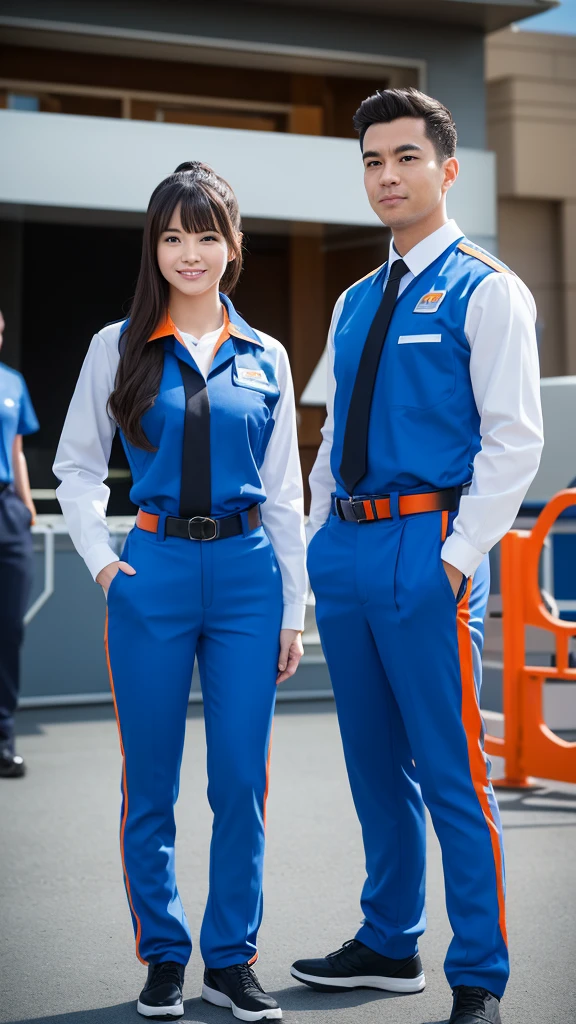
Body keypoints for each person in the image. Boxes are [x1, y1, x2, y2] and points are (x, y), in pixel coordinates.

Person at [291, 89, 543, 1024]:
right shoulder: (357, 300)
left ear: (447, 167)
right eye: (370, 161)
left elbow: (515, 440)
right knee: (371, 765)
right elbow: (327, 435)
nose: (386, 175)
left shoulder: (489, 287)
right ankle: (390, 942)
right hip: (349, 549)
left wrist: (457, 555)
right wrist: (319, 540)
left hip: (426, 546)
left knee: (450, 770)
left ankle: (477, 972)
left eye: (403, 157)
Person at [54, 161, 306, 1022]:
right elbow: (77, 468)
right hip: (151, 575)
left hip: (246, 583)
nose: (188, 253)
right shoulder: (113, 345)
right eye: (172, 237)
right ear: (153, 247)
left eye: (206, 236)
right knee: (149, 780)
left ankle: (231, 958)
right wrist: (100, 560)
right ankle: (163, 955)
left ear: (233, 247)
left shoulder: (266, 354)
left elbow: (285, 495)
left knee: (241, 780)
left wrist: (292, 609)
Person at [0, 309, 38, 779]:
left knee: (9, 631)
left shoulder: (13, 383)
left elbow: (17, 451)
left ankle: (3, 739)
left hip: (8, 510)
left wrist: (27, 507)